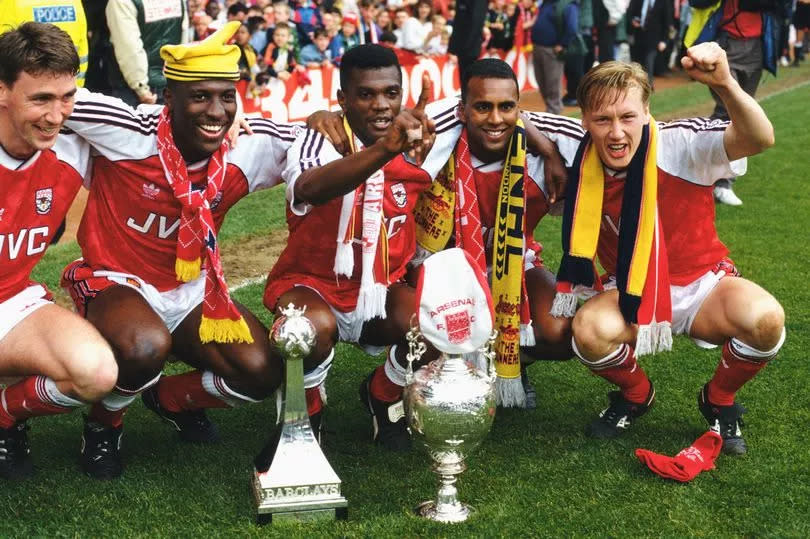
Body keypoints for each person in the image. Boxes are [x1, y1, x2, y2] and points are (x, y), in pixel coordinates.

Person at [58, 21, 298, 479]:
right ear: (169, 99)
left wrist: (328, 121)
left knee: (263, 370)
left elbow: (311, 142)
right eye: (201, 96)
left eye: (227, 97)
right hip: (118, 282)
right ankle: (104, 425)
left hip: (191, 293)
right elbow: (55, 91)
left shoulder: (244, 146)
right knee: (146, 344)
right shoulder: (128, 129)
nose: (216, 110)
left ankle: (168, 398)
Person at [551, 45, 782, 455]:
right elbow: (511, 117)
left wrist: (725, 84)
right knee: (588, 331)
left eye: (627, 117)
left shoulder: (680, 144)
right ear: (584, 120)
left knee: (765, 320)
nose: (616, 132)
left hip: (703, 288)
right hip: (631, 291)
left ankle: (719, 401)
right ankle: (636, 395)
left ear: (647, 113)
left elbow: (760, 138)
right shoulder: (576, 155)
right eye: (602, 119)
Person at [263, 44, 437, 451]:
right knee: (303, 330)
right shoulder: (317, 138)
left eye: (391, 93)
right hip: (312, 287)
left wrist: (547, 149)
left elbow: (493, 112)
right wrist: (384, 150)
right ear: (342, 99)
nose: (381, 105)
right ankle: (306, 415)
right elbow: (308, 188)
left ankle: (382, 393)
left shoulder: (420, 133)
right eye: (366, 94)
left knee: (437, 323)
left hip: (381, 289)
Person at [405, 58, 577, 408]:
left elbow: (618, 136)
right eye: (482, 107)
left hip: (513, 269)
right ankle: (433, 373)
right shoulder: (431, 144)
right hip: (443, 273)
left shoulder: (546, 151)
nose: (496, 119)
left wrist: (545, 147)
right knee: (416, 325)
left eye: (506, 107)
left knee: (559, 330)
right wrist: (322, 119)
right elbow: (365, 127)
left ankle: (511, 362)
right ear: (462, 111)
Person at [0, 22, 117, 480]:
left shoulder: (75, 145)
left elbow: (168, 129)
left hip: (12, 304)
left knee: (96, 373)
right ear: (3, 90)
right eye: (40, 99)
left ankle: (5, 415)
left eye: (66, 97)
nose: (56, 115)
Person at [687, 0, 791, 205]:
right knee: (727, 110)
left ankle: (704, 172)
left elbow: (783, 8)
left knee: (742, 114)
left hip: (757, 47)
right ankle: (718, 181)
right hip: (725, 45)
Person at [104, 0, 188, 106]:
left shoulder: (120, 2)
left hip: (137, 91)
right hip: (172, 82)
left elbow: (129, 47)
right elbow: (183, 42)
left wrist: (141, 89)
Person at [530, 0, 581, 114]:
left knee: (553, 85)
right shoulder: (546, 3)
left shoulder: (568, 5)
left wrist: (563, 44)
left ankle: (554, 114)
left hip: (552, 50)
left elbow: (572, 27)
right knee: (542, 82)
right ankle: (551, 111)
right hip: (538, 47)